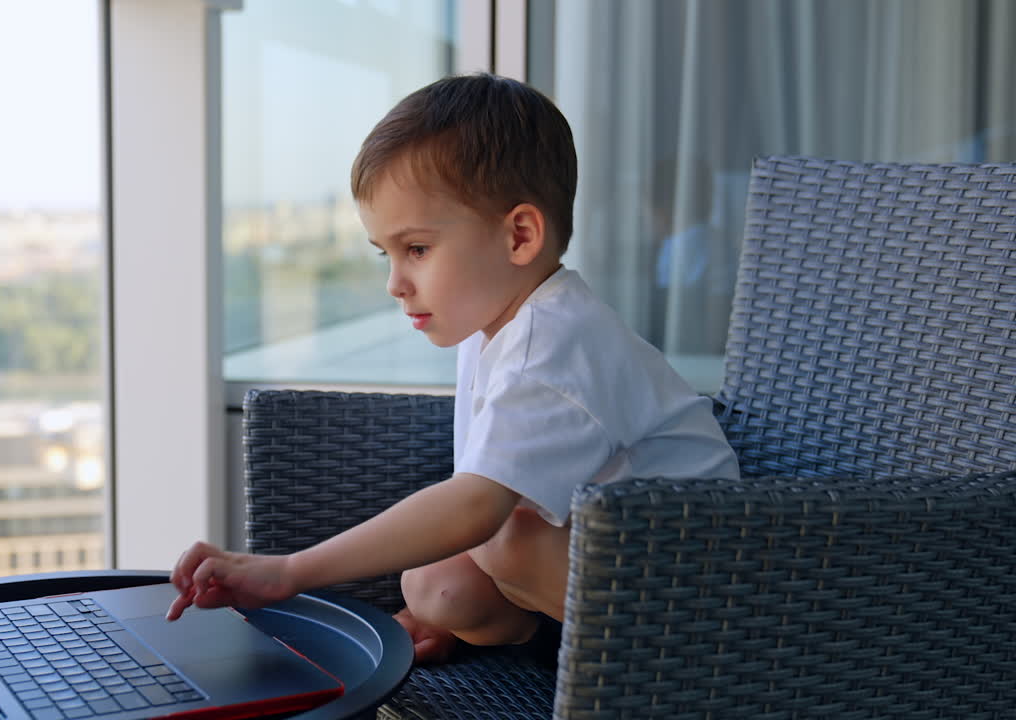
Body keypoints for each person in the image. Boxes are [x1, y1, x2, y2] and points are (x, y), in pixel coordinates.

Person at [166, 73, 740, 665]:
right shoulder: (493, 326)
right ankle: (540, 636)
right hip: (614, 558)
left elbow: (474, 507)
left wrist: (289, 571)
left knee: (499, 536)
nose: (395, 283)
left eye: (416, 249)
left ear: (520, 236)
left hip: (704, 587)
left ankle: (633, 666)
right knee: (435, 586)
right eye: (386, 254)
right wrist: (436, 614)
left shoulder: (552, 346)